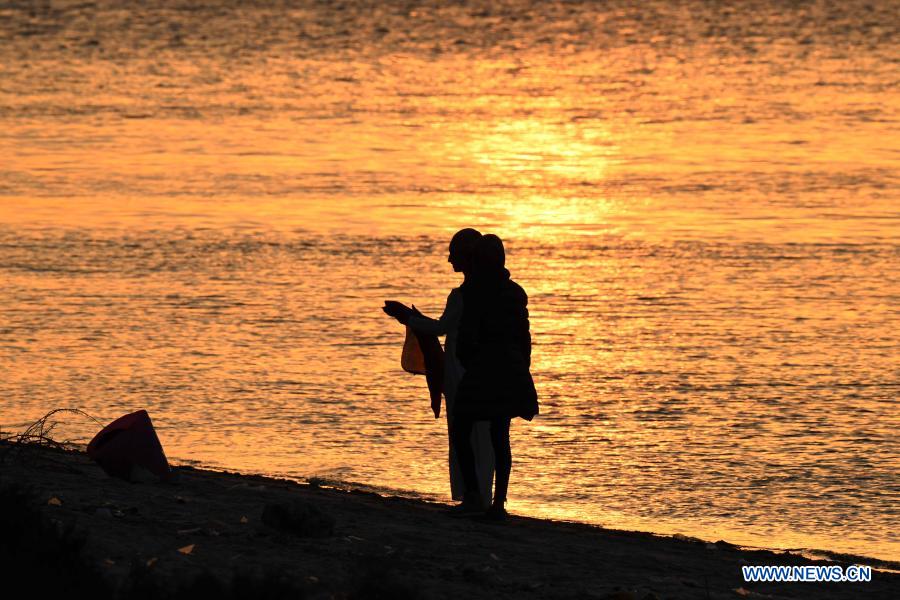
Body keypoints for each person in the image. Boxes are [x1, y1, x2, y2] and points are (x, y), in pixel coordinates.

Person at [382, 229, 495, 510]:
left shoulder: (462, 295)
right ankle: (485, 496)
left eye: (453, 253)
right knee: (485, 436)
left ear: (467, 257)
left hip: (459, 369)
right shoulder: (492, 293)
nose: (449, 259)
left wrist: (407, 317)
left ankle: (472, 496)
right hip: (484, 370)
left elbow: (441, 328)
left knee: (462, 432)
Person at [451, 234, 539, 520]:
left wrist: (468, 361)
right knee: (500, 435)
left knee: (462, 427)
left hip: (484, 368)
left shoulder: (473, 291)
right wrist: (522, 367)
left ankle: (474, 496)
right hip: (510, 368)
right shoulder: (515, 292)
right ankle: (498, 503)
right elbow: (524, 337)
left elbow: (468, 334)